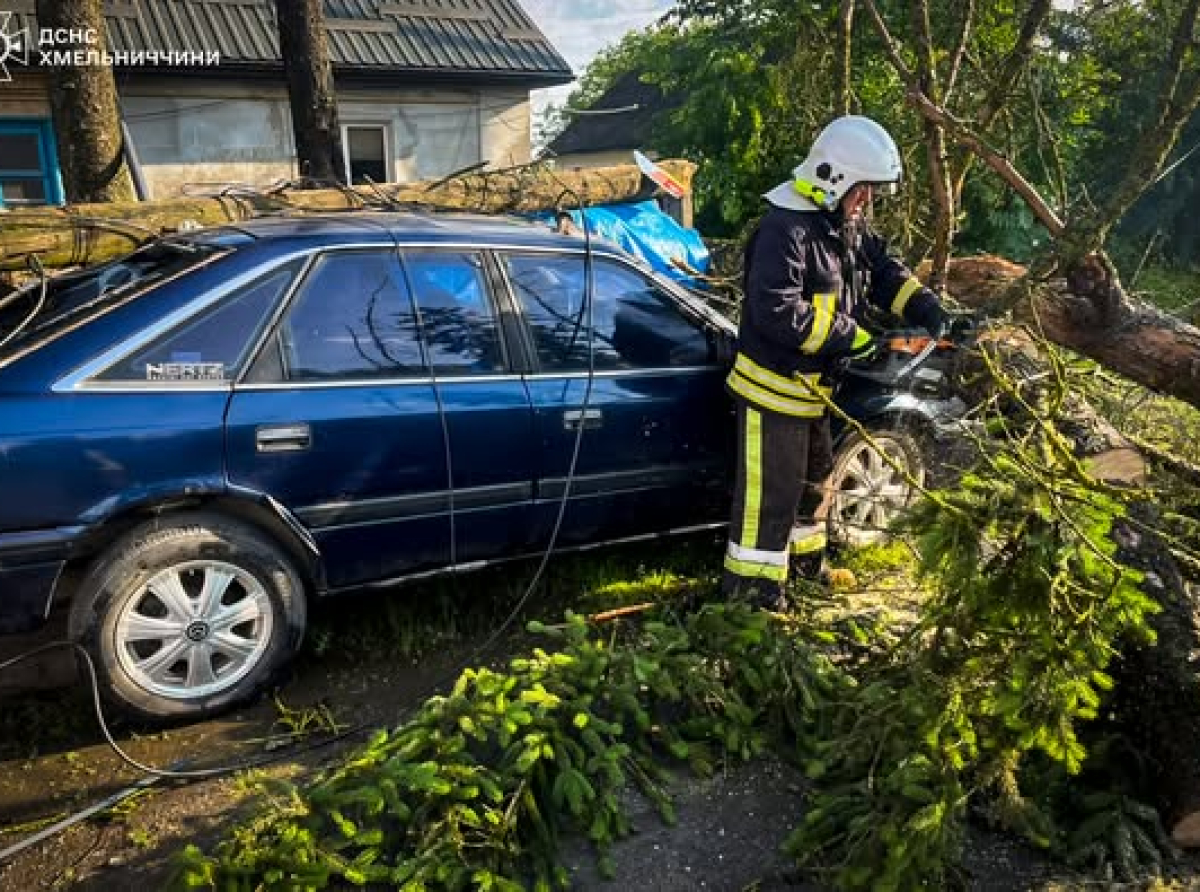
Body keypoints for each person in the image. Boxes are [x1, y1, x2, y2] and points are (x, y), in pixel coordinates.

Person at [723, 115, 946, 610]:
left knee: (812, 489)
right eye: (862, 190)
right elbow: (778, 311)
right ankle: (752, 599)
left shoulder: (839, 223)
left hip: (814, 393)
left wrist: (924, 306)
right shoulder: (785, 228)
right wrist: (855, 337)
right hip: (772, 392)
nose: (865, 201)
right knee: (769, 503)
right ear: (834, 177)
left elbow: (883, 271)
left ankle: (805, 573)